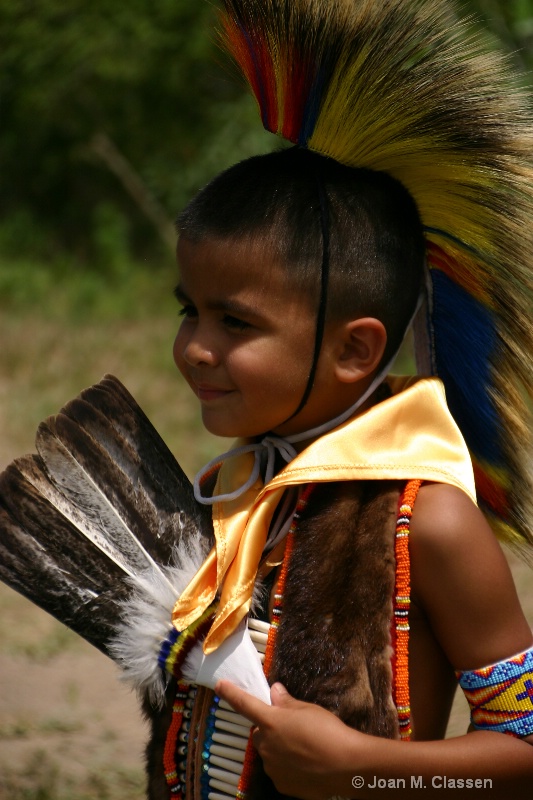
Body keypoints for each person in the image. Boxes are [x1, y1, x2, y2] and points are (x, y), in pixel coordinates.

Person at [131, 1, 533, 797]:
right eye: (191, 310)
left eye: (234, 321)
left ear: (355, 347)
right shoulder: (234, 490)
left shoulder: (433, 520)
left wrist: (366, 772)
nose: (195, 348)